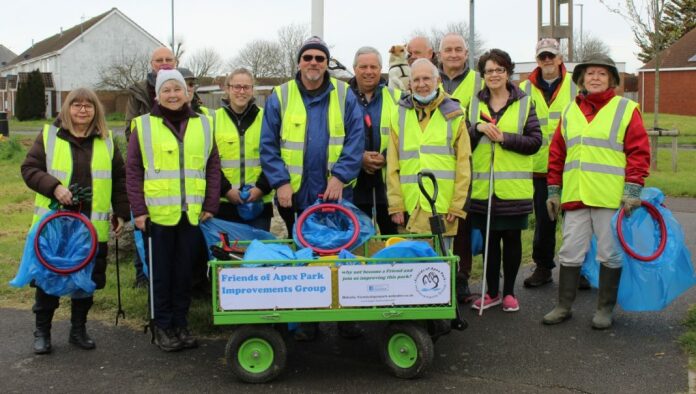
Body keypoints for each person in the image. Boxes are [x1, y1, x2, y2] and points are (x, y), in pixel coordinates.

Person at [260, 36, 364, 341]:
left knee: (342, 255)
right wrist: (280, 182)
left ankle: (346, 317)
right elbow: (268, 145)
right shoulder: (280, 96)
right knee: (303, 259)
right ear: (299, 63)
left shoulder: (345, 94)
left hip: (336, 194)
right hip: (296, 196)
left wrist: (340, 177)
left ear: (326, 63)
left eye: (320, 58)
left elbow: (355, 140)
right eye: (308, 58)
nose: (314, 63)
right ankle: (307, 320)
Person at [543, 54, 650, 329]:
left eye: (602, 74)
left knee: (609, 253)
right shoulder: (569, 111)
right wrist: (554, 190)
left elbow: (639, 152)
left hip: (610, 198)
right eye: (589, 73)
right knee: (569, 252)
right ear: (581, 79)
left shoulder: (626, 109)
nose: (595, 78)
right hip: (576, 197)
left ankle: (604, 309)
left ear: (612, 79)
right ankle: (563, 306)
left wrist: (633, 189)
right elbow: (557, 153)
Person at [21, 88, 129, 354]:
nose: (83, 110)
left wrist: (121, 212)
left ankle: (78, 330)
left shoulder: (107, 141)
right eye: (77, 105)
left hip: (92, 224)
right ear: (67, 109)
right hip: (55, 227)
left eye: (88, 106)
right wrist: (54, 187)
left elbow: (120, 179)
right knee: (49, 279)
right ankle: (42, 332)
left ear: (96, 110)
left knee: (85, 280)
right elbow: (29, 169)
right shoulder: (49, 136)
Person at [126, 69, 221, 351]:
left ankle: (181, 323)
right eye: (166, 90)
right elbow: (132, 171)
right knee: (160, 275)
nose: (172, 94)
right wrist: (139, 211)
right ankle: (163, 326)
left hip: (190, 214)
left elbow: (212, 166)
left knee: (183, 274)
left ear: (187, 93)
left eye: (177, 89)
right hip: (156, 216)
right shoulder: (142, 126)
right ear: (157, 94)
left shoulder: (204, 124)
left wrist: (210, 204)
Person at [467, 49, 541, 313]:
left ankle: (509, 292)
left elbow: (535, 142)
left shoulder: (524, 102)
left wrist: (505, 138)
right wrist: (477, 128)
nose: (494, 75)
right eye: (489, 71)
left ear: (508, 72)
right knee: (489, 242)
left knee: (511, 239)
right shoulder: (475, 103)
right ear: (483, 75)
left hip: (513, 189)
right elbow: (464, 139)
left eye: (499, 70)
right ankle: (491, 292)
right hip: (483, 188)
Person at [387, 58, 471, 247]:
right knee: (411, 269)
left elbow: (464, 164)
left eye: (427, 79)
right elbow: (392, 165)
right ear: (410, 84)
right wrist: (395, 205)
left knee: (441, 268)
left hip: (442, 207)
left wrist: (457, 205)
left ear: (438, 81)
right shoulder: (397, 113)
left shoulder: (456, 113)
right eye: (416, 80)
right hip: (409, 207)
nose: (421, 84)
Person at [518, 38, 578, 289]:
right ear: (537, 59)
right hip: (540, 168)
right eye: (542, 56)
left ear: (560, 58)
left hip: (574, 167)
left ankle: (579, 269)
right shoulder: (523, 88)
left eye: (551, 56)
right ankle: (543, 267)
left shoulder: (577, 85)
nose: (547, 61)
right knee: (544, 221)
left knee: (576, 222)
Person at [124, 46, 177, 288]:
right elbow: (130, 130)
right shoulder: (138, 93)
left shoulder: (183, 86)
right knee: (143, 222)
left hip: (177, 173)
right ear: (151, 63)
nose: (164, 63)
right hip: (149, 169)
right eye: (159, 60)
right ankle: (142, 275)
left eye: (168, 59)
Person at [438, 32, 484, 303]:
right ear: (439, 54)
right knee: (435, 222)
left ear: (467, 54)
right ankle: (436, 277)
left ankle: (462, 278)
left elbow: (482, 119)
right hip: (435, 165)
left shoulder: (478, 82)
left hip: (467, 161)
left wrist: (462, 135)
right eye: (448, 50)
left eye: (458, 49)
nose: (453, 54)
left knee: (462, 224)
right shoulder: (427, 79)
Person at [214, 68, 274, 230]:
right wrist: (226, 190)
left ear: (252, 90)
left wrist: (261, 188)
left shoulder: (267, 118)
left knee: (256, 254)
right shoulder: (213, 120)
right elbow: (208, 162)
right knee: (227, 254)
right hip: (224, 204)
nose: (241, 91)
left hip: (259, 204)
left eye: (246, 87)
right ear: (227, 89)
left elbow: (275, 156)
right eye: (236, 87)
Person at [349, 46, 399, 236]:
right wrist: (359, 158)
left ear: (381, 69)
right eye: (363, 67)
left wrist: (386, 156)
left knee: (392, 241)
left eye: (373, 67)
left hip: (388, 187)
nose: (369, 72)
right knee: (358, 242)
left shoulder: (397, 98)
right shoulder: (341, 97)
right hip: (353, 186)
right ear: (355, 69)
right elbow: (333, 139)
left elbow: (405, 136)